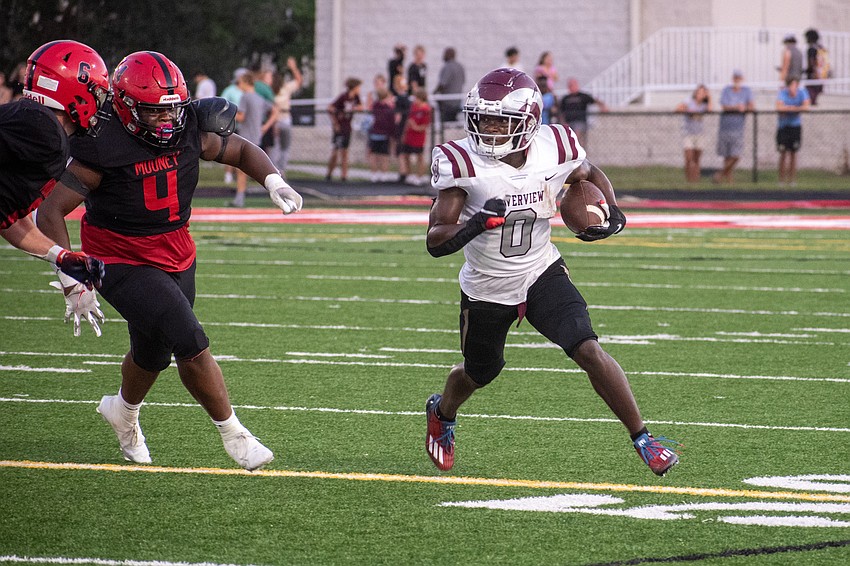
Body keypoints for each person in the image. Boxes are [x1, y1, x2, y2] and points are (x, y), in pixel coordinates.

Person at [37, 51, 303, 471]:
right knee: (189, 339)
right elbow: (50, 211)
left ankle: (123, 412)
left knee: (153, 353)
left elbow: (239, 150)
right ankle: (234, 434)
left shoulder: (187, 126)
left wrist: (273, 180)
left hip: (177, 250)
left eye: (172, 109)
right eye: (154, 111)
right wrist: (72, 274)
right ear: (126, 107)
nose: (166, 119)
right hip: (119, 257)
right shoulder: (103, 143)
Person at [424, 68, 680, 477]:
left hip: (541, 270)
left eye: (500, 121)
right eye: (483, 119)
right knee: (479, 372)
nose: (489, 129)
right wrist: (475, 225)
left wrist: (612, 211)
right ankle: (443, 413)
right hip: (488, 285)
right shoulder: (461, 163)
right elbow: (435, 240)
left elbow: (588, 173)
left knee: (587, 348)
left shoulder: (554, 146)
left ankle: (644, 439)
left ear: (528, 122)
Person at [1, 40, 108, 331]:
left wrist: (62, 259)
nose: (99, 103)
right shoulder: (44, 129)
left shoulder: (40, 128)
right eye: (96, 93)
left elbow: (10, 218)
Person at [231, 71, 279, 207]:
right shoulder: (259, 98)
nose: (239, 85)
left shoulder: (245, 97)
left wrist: (227, 114)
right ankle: (276, 192)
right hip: (256, 137)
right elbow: (275, 111)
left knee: (241, 170)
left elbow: (241, 117)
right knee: (258, 169)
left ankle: (239, 199)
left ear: (246, 83)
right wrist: (266, 126)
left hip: (246, 137)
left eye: (240, 82)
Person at [714, 70, 754, 184]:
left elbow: (751, 106)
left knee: (736, 155)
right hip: (725, 126)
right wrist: (736, 107)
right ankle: (729, 180)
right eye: (735, 77)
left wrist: (744, 108)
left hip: (738, 128)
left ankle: (720, 174)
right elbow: (724, 106)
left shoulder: (746, 91)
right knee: (726, 155)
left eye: (739, 77)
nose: (737, 80)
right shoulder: (726, 90)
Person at [270, 57, 303, 176]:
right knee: (279, 146)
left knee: (280, 146)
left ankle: (279, 169)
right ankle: (276, 169)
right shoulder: (272, 92)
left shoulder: (284, 89)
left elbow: (298, 81)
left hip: (283, 118)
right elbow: (299, 81)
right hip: (278, 119)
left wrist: (293, 68)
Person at [325, 77, 363, 182]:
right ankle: (329, 174)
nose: (359, 89)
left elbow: (361, 107)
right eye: (358, 87)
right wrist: (335, 123)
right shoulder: (343, 97)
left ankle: (344, 175)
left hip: (347, 128)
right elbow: (330, 108)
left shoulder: (355, 97)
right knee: (335, 151)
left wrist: (354, 108)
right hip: (339, 128)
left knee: (345, 152)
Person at [776, 78, 811, 186]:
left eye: (795, 85)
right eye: (791, 85)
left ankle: (792, 180)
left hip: (795, 127)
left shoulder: (802, 92)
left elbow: (806, 107)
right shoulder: (782, 93)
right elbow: (779, 108)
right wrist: (795, 109)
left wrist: (790, 108)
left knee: (793, 153)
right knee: (783, 152)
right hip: (783, 127)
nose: (793, 88)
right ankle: (781, 180)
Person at [675, 84, 713, 183]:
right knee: (688, 158)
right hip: (688, 133)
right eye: (699, 92)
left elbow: (710, 110)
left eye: (703, 93)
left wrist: (709, 97)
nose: (700, 94)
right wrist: (688, 110)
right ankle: (689, 180)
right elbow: (678, 109)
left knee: (697, 159)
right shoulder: (689, 101)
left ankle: (696, 180)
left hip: (699, 134)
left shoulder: (704, 105)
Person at [558, 77, 609, 147]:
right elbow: (560, 111)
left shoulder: (583, 96)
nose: (571, 87)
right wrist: (563, 122)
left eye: (572, 85)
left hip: (580, 122)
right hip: (569, 123)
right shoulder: (565, 98)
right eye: (570, 85)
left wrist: (603, 107)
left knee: (577, 133)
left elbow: (595, 101)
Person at [398, 87, 432, 186]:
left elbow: (424, 125)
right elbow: (408, 121)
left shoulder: (426, 109)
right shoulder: (413, 107)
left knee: (419, 157)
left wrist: (415, 127)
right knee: (406, 155)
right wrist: (404, 134)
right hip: (409, 136)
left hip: (419, 137)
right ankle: (409, 175)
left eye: (416, 97)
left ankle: (419, 176)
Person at [366, 74, 396, 183]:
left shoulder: (379, 106)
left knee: (380, 154)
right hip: (379, 133)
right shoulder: (382, 107)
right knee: (379, 154)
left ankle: (378, 174)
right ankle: (379, 174)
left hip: (381, 133)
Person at [433, 47, 465, 124]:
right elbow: (463, 81)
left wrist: (434, 93)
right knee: (453, 121)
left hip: (447, 102)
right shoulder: (460, 67)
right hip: (457, 101)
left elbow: (442, 84)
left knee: (446, 122)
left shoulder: (448, 67)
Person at [804, 28, 827, 105]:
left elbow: (811, 63)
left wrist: (807, 71)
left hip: (813, 75)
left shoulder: (811, 48)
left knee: (810, 93)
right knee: (815, 93)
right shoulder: (820, 47)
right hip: (821, 74)